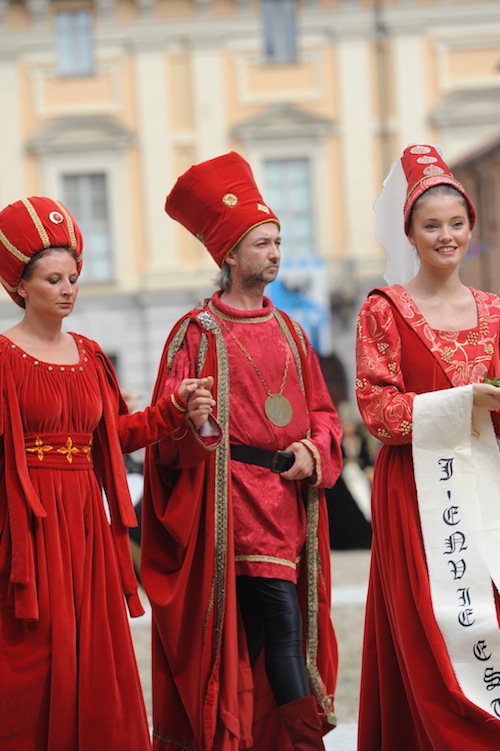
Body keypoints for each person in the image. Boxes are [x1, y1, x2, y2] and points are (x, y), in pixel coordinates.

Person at [141, 152, 343, 751]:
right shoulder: (194, 335)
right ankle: (305, 744)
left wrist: (315, 450)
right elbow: (166, 436)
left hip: (287, 508)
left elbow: (327, 416)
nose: (276, 253)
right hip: (229, 509)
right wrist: (191, 420)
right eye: (262, 243)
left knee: (256, 641)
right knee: (277, 627)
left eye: (279, 241)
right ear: (229, 255)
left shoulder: (293, 332)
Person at [0, 196, 216, 750]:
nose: (68, 288)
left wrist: (171, 409)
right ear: (19, 286)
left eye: (73, 276)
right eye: (53, 279)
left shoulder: (93, 355)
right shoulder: (2, 356)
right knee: (34, 652)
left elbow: (114, 438)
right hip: (28, 524)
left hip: (88, 527)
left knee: (93, 645)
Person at [355, 144, 500, 749]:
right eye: (431, 225)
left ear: (473, 228)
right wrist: (468, 402)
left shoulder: (495, 311)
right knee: (431, 625)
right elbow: (378, 412)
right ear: (409, 233)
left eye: (457, 223)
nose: (447, 236)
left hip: (490, 485)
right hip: (417, 493)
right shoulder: (384, 311)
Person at [325, 400, 373, 550]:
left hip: (359, 475)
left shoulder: (362, 440)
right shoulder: (338, 441)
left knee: (364, 496)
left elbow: (367, 460)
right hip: (343, 477)